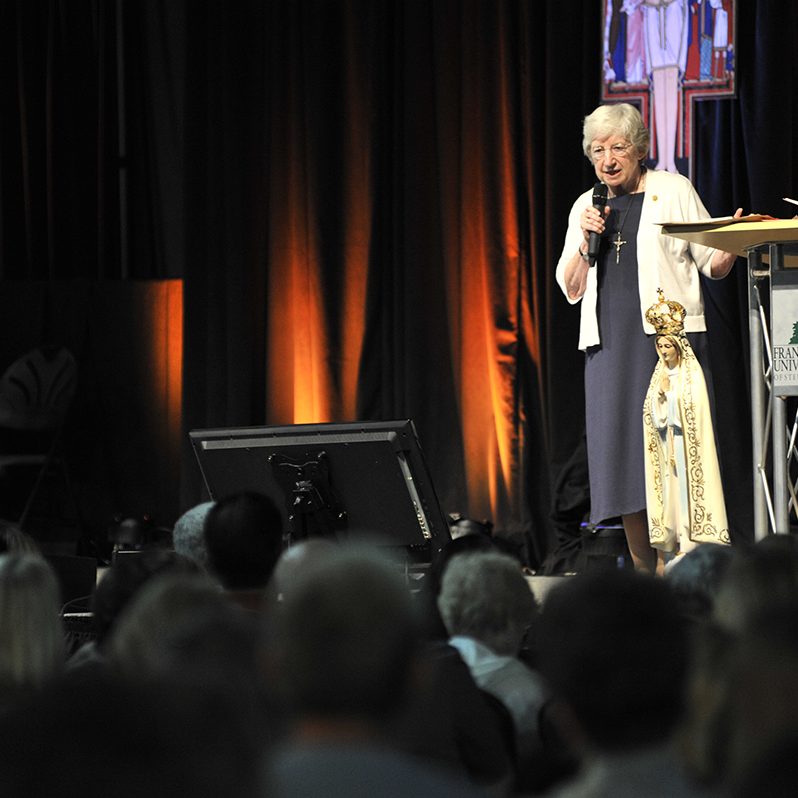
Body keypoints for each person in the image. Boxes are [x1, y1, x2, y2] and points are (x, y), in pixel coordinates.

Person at [555, 101, 740, 573]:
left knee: (672, 452)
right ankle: (646, 571)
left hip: (665, 349)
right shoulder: (585, 206)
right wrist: (583, 240)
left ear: (638, 149)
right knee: (624, 460)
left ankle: (681, 566)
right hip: (608, 351)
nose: (608, 159)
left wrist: (733, 240)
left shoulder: (672, 188)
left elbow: (711, 265)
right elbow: (571, 287)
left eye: (617, 147)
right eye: (598, 150)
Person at [643, 291, 730, 572]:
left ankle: (694, 543)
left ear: (678, 345)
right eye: (660, 345)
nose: (664, 350)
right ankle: (677, 541)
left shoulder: (691, 376)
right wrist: (660, 399)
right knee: (672, 494)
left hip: (686, 445)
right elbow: (651, 415)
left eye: (668, 344)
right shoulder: (660, 377)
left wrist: (672, 399)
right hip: (669, 446)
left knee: (688, 491)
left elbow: (694, 408)